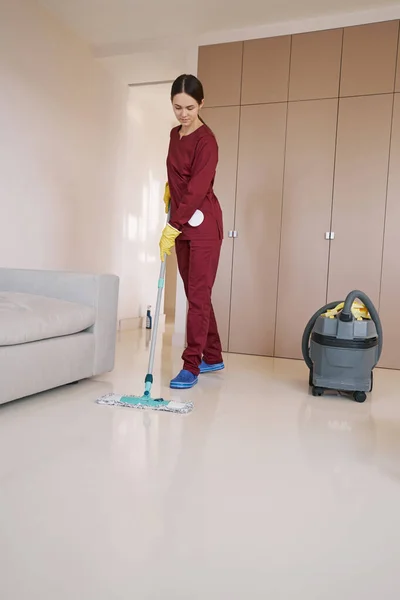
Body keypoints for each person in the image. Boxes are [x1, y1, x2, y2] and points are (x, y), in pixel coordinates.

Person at [159, 74, 224, 390]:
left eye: (189, 107)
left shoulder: (206, 141)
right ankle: (212, 354)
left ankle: (191, 365)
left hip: (203, 228)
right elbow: (177, 174)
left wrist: (171, 226)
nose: (183, 113)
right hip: (181, 221)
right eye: (177, 107)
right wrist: (169, 190)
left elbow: (198, 188)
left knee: (197, 297)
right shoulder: (175, 134)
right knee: (197, 294)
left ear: (201, 103)